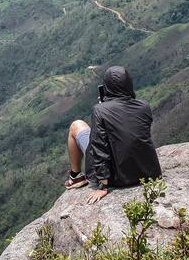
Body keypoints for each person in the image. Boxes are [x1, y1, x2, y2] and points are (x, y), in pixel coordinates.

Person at [64, 66, 162, 204]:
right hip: (148, 173)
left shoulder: (100, 110)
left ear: (106, 87)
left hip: (117, 178)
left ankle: (75, 176)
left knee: (76, 125)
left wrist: (103, 186)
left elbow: (99, 148)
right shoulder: (144, 106)